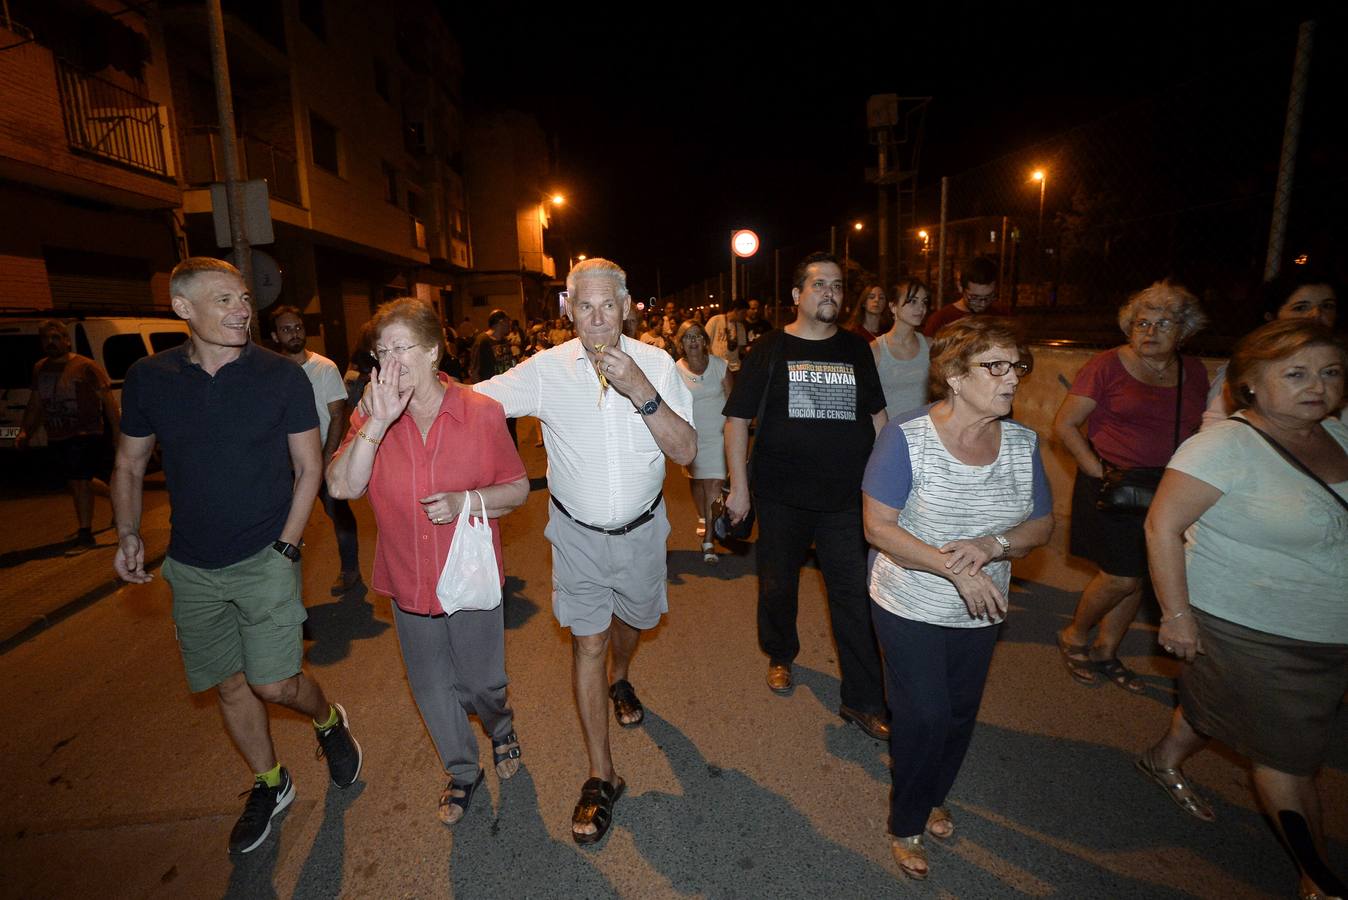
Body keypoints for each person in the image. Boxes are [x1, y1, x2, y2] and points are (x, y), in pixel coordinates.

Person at [111, 257, 361, 855]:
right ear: (182, 309)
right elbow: (128, 462)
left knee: (273, 682)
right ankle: (271, 782)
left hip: (266, 553)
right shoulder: (150, 378)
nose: (242, 310)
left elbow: (309, 469)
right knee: (228, 684)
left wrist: (288, 545)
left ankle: (328, 721)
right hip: (192, 562)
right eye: (224, 300)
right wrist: (127, 531)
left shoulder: (280, 377)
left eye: (243, 298)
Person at [473, 257, 695, 845]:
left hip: (644, 531)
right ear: (568, 310)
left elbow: (687, 450)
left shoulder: (657, 366)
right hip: (574, 535)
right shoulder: (545, 370)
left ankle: (624, 676)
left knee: (633, 624)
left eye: (608, 307)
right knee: (587, 639)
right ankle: (603, 774)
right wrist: (407, 386)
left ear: (627, 308)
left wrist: (641, 391)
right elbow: (473, 403)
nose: (597, 320)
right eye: (584, 307)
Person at [1139, 319, 1347, 900]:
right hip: (1251, 629)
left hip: (1328, 630)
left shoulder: (1339, 434)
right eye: (1297, 373)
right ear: (1250, 383)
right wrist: (1176, 617)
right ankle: (1320, 878)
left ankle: (1162, 758)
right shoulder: (1222, 447)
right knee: (1289, 761)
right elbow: (1161, 526)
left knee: (1214, 705)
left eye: (1330, 372)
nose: (1317, 386)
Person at [862, 317, 1053, 880]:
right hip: (909, 600)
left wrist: (992, 545)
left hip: (981, 610)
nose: (1012, 377)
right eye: (995, 366)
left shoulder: (1021, 442)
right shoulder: (906, 436)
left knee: (961, 715)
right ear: (953, 374)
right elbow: (879, 528)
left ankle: (932, 793)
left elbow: (1041, 526)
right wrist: (956, 569)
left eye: (1017, 365)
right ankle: (906, 821)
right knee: (925, 713)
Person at [327, 297, 529, 827]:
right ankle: (463, 771)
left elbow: (517, 488)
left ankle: (501, 726)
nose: (390, 363)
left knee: (483, 682)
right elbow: (341, 485)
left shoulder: (480, 412)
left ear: (434, 351)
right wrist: (376, 421)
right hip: (407, 580)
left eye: (402, 349)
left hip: (470, 578)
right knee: (432, 688)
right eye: (381, 351)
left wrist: (466, 502)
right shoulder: (371, 414)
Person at [723, 251, 890, 738]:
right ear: (797, 296)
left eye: (837, 286)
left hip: (845, 500)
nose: (830, 294)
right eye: (820, 285)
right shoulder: (771, 349)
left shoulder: (858, 350)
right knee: (778, 586)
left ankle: (863, 700)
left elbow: (878, 419)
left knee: (854, 599)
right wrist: (739, 489)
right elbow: (736, 421)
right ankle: (780, 652)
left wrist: (886, 490)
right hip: (781, 496)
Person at [1053, 280, 1209, 692]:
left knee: (1138, 575)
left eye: (1162, 323)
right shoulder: (1107, 365)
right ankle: (1074, 634)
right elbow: (1065, 425)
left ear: (1184, 330)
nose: (1149, 332)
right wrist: (1095, 469)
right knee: (1121, 576)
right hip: (1112, 485)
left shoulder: (1193, 372)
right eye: (1142, 323)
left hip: (1166, 488)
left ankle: (1107, 650)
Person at [270, 306, 361, 595]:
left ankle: (350, 571)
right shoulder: (270, 371)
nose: (294, 333)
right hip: (283, 464)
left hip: (320, 455)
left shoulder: (324, 367)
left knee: (339, 513)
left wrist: (323, 462)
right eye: (286, 329)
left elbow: (337, 415)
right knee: (282, 524)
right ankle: (284, 584)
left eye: (297, 327)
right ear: (274, 335)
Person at [18, 320, 120, 548]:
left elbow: (108, 401)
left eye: (56, 338)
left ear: (66, 340)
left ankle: (85, 531)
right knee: (76, 481)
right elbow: (35, 403)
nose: (51, 343)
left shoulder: (86, 366)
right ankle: (116, 497)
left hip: (86, 433)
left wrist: (117, 433)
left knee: (80, 480)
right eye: (46, 339)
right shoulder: (40, 368)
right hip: (57, 434)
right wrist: (24, 431)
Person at [1202, 268, 1339, 428]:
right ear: (1271, 316)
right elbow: (1216, 427)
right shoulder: (1248, 367)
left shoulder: (1335, 430)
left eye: (1327, 306)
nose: (1316, 314)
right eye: (1301, 307)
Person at [674, 320, 733, 562]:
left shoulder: (721, 366)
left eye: (698, 336)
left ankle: (708, 539)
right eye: (687, 337)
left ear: (705, 341)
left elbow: (733, 406)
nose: (694, 341)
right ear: (680, 343)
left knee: (714, 487)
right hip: (692, 440)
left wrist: (734, 441)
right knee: (696, 482)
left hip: (719, 438)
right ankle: (704, 516)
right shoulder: (675, 370)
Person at [872, 279, 932, 420]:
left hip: (922, 434)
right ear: (893, 307)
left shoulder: (930, 346)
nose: (921, 308)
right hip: (888, 436)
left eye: (924, 302)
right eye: (913, 301)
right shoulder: (875, 349)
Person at [922, 255, 999, 337]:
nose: (983, 304)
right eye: (975, 297)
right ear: (960, 287)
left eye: (989, 296)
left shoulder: (1001, 315)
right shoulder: (940, 320)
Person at [705, 301, 748, 372]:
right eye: (743, 313)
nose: (745, 316)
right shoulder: (715, 320)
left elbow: (741, 349)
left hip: (735, 367)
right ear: (736, 310)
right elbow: (705, 342)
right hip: (716, 367)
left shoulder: (741, 327)